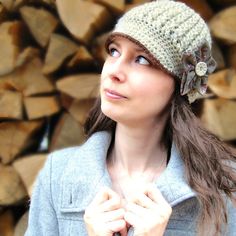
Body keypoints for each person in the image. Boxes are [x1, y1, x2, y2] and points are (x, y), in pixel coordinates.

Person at [25, 0, 236, 235]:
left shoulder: (223, 187)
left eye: (142, 60)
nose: (114, 71)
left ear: (181, 85)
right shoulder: (58, 175)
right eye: (114, 51)